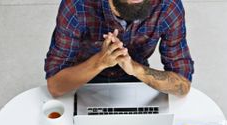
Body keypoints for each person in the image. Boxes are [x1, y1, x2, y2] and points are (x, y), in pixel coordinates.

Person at [44, 0, 194, 97]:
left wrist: (135, 69)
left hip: (137, 80)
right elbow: (55, 86)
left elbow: (183, 86)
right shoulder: (76, 5)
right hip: (82, 81)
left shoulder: (168, 6)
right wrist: (99, 62)